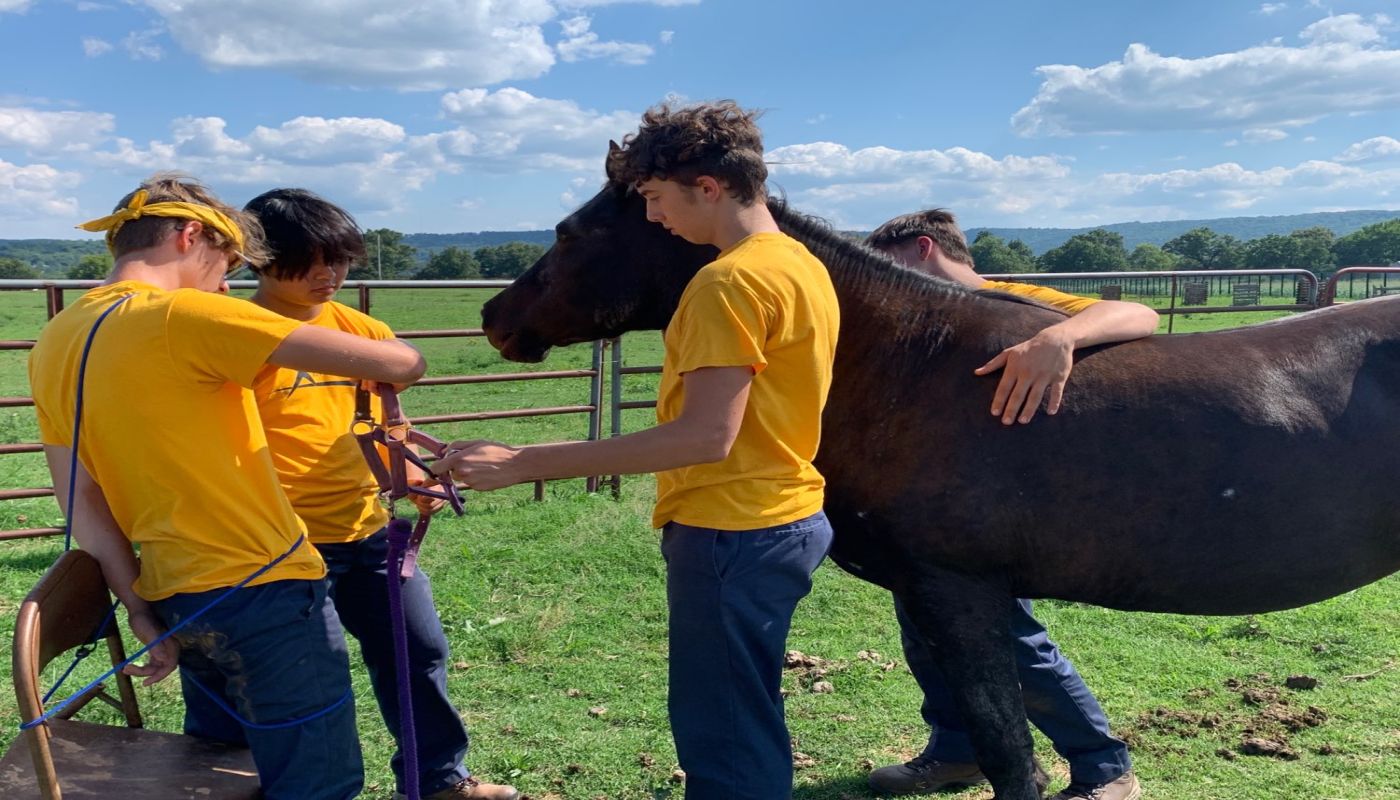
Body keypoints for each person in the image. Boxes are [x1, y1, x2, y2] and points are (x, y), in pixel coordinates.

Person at [432, 101, 841, 800]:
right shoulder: (796, 264)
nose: (652, 217)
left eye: (654, 197)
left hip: (730, 528)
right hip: (783, 514)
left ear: (707, 187)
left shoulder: (728, 282)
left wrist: (522, 463)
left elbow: (706, 437)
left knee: (727, 739)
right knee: (745, 715)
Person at [29, 173, 427, 800]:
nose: (227, 281)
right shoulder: (188, 313)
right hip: (264, 584)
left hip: (175, 592)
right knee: (318, 779)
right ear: (191, 235)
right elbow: (403, 364)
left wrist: (136, 604)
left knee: (219, 771)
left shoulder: (55, 338)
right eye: (229, 261)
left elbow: (79, 501)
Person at [862, 209, 1155, 800]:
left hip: (998, 502)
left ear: (923, 250)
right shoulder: (918, 320)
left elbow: (1141, 315)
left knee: (1005, 632)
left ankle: (1105, 765)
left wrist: (1060, 336)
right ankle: (958, 750)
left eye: (885, 265)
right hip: (936, 500)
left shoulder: (1010, 298)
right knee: (924, 625)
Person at [243, 187, 517, 800]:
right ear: (257, 257)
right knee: (291, 683)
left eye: (338, 258)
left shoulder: (363, 331)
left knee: (419, 652)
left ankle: (440, 780)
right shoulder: (235, 334)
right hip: (279, 545)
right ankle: (249, 785)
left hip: (367, 529)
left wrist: (411, 474)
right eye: (306, 260)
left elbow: (381, 422)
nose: (327, 274)